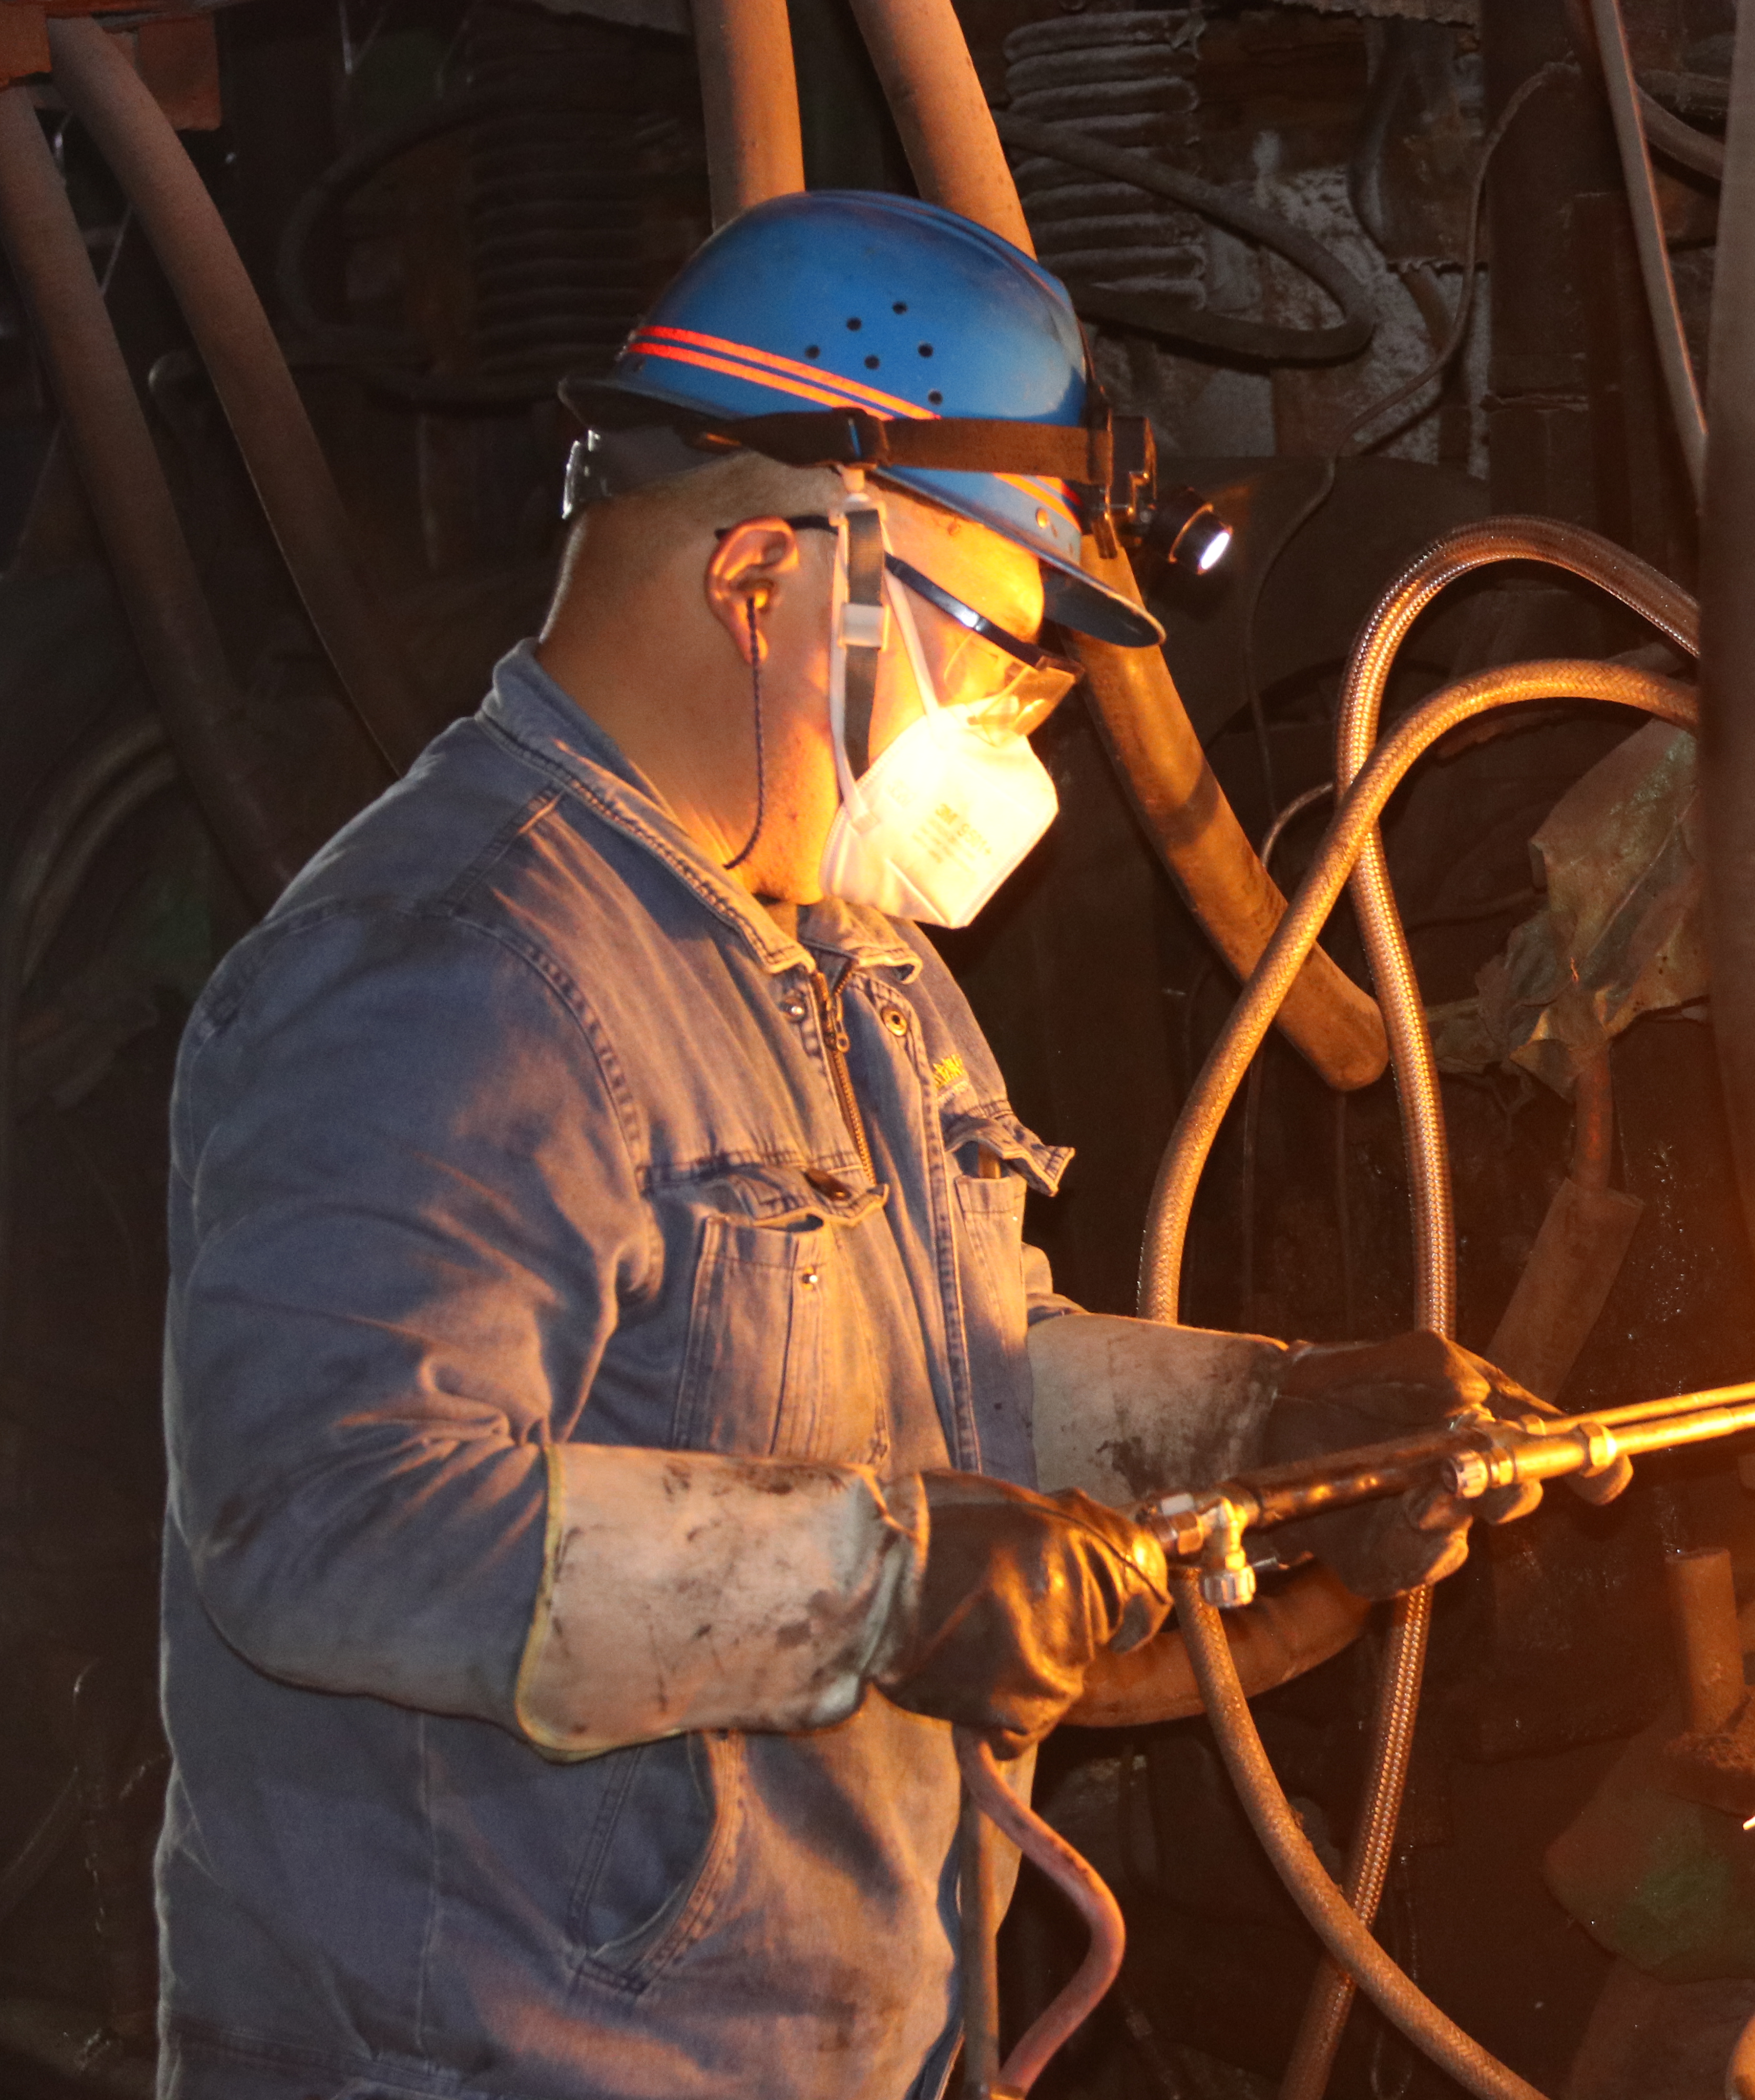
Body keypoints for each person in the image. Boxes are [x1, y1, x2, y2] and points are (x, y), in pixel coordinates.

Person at [155, 191, 1545, 2100]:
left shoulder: (851, 964)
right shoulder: (450, 972)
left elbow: (925, 1385)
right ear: (759, 579)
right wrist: (871, 1583)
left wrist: (1262, 1426)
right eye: (996, 651)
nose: (1012, 724)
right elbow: (323, 1520)